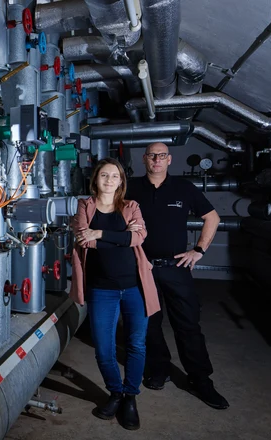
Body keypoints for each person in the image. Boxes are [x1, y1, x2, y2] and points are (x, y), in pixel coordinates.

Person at [125, 142, 229, 410]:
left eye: (161, 156)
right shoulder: (131, 188)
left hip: (176, 267)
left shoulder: (183, 188)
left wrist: (198, 250)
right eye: (152, 155)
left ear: (169, 160)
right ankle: (159, 369)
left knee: (188, 324)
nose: (157, 160)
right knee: (149, 324)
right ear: (145, 160)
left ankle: (200, 379)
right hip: (142, 268)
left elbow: (213, 218)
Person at [70, 158, 161, 430]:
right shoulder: (84, 206)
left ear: (121, 181)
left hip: (134, 287)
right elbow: (84, 239)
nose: (109, 180)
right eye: (104, 175)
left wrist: (100, 233)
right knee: (104, 348)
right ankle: (116, 392)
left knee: (136, 344)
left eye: (115, 176)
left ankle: (130, 397)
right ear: (95, 179)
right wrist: (119, 234)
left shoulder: (131, 207)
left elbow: (138, 238)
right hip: (102, 290)